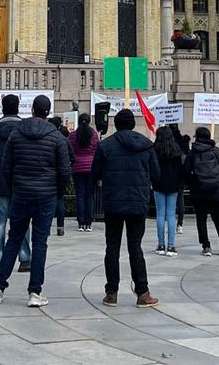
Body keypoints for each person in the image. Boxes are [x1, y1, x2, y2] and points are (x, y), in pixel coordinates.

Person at [0, 95, 71, 308]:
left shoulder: (17, 134)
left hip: (21, 194)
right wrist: (57, 192)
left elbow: (6, 167)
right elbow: (64, 171)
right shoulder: (56, 137)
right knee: (40, 243)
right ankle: (35, 292)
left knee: (14, 239)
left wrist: (15, 187)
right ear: (48, 111)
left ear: (32, 109)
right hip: (46, 196)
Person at [94, 108, 160, 307]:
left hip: (113, 202)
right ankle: (142, 292)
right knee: (135, 248)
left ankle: (111, 293)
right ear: (132, 124)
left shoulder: (105, 145)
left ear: (116, 124)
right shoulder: (146, 145)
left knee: (112, 247)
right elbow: (156, 175)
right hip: (138, 202)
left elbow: (95, 173)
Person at [0, 95, 32, 272]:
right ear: (18, 107)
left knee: (0, 220)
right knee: (23, 220)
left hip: (1, 180)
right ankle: (25, 258)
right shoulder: (24, 128)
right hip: (21, 180)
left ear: (2, 108)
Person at [185, 126, 219, 256]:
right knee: (218, 218)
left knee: (201, 220)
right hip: (216, 190)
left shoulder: (192, 153)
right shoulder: (218, 152)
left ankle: (206, 246)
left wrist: (193, 183)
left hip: (199, 191)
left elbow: (186, 172)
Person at [153, 124, 185, 255]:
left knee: (160, 214)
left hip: (159, 184)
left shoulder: (155, 150)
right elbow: (181, 170)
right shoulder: (176, 151)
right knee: (171, 215)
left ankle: (161, 245)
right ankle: (171, 246)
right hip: (173, 185)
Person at [71, 112, 99, 232]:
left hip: (77, 167)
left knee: (80, 195)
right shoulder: (94, 134)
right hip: (91, 167)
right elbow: (97, 150)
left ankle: (81, 222)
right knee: (89, 195)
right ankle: (89, 222)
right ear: (89, 122)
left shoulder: (73, 135)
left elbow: (70, 150)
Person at [50, 115, 70, 236]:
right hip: (61, 174)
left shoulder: (46, 137)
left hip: (48, 174)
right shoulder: (63, 139)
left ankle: (46, 226)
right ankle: (60, 227)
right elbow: (72, 157)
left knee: (47, 200)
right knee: (60, 199)